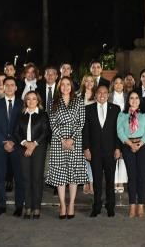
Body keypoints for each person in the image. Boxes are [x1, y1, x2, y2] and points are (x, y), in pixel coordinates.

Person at [46, 76, 88, 219]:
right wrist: (63, 140)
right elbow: (52, 124)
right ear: (59, 87)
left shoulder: (78, 101)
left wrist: (71, 139)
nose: (65, 87)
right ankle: (63, 204)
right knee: (60, 173)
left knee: (73, 173)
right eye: (62, 85)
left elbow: (81, 122)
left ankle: (71, 204)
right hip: (58, 140)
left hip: (75, 140)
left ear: (72, 86)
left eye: (68, 84)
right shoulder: (53, 102)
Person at [83, 85, 121, 217]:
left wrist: (118, 148)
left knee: (111, 181)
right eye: (99, 93)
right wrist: (86, 148)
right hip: (94, 151)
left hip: (111, 151)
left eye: (105, 93)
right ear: (95, 95)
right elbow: (85, 131)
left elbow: (118, 131)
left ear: (108, 95)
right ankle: (96, 206)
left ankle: (110, 206)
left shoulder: (116, 109)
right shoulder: (88, 109)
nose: (102, 95)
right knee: (97, 181)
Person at [0, 76, 24, 216]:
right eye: (7, 85)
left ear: (16, 88)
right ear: (3, 87)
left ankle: (19, 206)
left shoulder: (22, 104)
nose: (9, 87)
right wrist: (4, 141)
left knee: (19, 177)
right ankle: (1, 205)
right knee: (0, 177)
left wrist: (13, 142)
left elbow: (23, 127)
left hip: (17, 146)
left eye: (12, 85)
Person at [117, 91, 145, 218]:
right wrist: (130, 144)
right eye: (131, 98)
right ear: (128, 101)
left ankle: (141, 205)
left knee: (141, 177)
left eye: (136, 98)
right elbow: (120, 131)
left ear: (140, 100)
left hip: (142, 146)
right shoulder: (122, 115)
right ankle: (132, 205)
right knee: (131, 177)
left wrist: (140, 144)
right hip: (128, 146)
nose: (134, 100)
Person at [14, 90, 50, 219]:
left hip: (38, 148)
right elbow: (16, 132)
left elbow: (45, 132)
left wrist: (33, 144)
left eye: (34, 99)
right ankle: (28, 207)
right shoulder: (21, 114)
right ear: (25, 101)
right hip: (23, 148)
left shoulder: (43, 115)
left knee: (36, 179)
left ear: (38, 101)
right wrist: (25, 143)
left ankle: (36, 207)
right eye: (28, 99)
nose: (31, 101)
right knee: (26, 178)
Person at [77, 74, 96, 195]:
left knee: (91, 157)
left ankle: (92, 183)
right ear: (83, 82)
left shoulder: (97, 96)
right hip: (80, 129)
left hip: (92, 130)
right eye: (86, 81)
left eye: (91, 81)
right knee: (83, 158)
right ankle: (85, 182)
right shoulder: (77, 96)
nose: (89, 83)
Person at [110, 76, 128, 193]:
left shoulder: (127, 96)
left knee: (123, 155)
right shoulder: (109, 96)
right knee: (113, 154)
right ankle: (113, 179)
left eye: (121, 83)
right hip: (111, 128)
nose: (118, 85)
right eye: (116, 83)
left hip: (125, 128)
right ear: (113, 84)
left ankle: (120, 180)